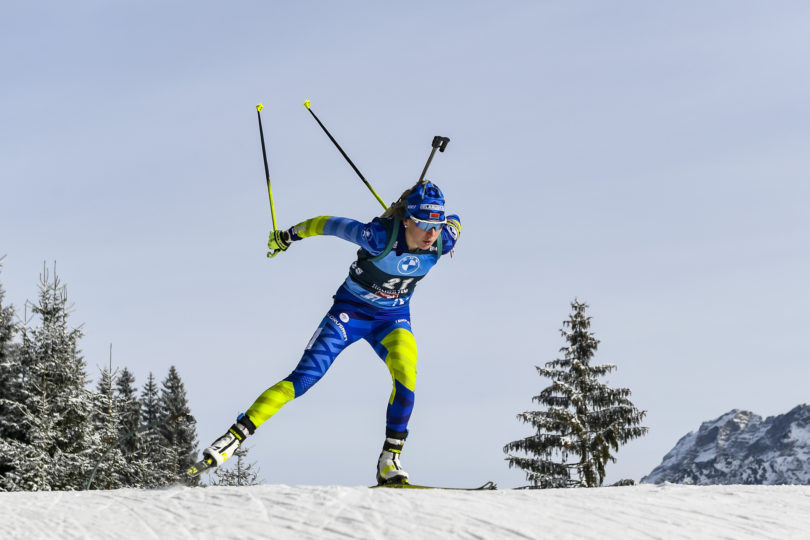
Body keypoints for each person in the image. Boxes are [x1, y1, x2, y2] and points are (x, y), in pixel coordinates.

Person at [198, 180, 460, 485]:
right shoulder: (376, 236)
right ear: (406, 221)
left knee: (407, 377)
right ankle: (232, 438)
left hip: (392, 319)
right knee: (304, 378)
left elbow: (455, 223)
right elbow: (327, 224)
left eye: (437, 225)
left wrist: (435, 216)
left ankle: (390, 458)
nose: (432, 234)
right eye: (425, 224)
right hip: (350, 314)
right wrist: (288, 236)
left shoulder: (444, 240)